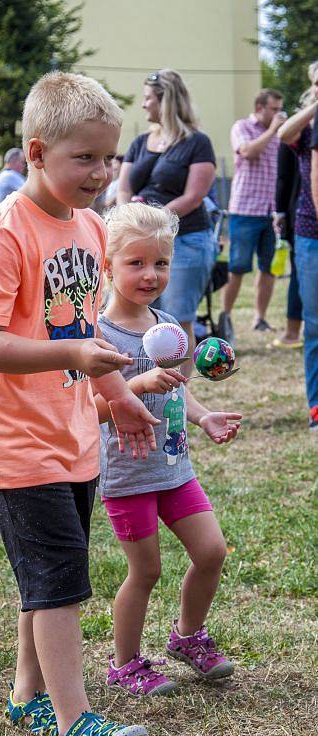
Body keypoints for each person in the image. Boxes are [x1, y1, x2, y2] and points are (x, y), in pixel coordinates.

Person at [0, 72, 161, 736]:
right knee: (60, 585)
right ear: (38, 152)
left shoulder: (92, 226)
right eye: (86, 159)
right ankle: (75, 727)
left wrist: (119, 393)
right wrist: (73, 352)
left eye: (109, 158)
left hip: (74, 434)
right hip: (20, 442)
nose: (102, 173)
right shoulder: (4, 235)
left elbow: (85, 329)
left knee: (47, 577)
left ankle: (27, 696)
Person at [94, 202, 242, 696]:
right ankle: (125, 663)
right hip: (128, 473)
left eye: (160, 263)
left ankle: (187, 636)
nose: (150, 274)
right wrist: (134, 385)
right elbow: (89, 409)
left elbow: (178, 387)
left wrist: (204, 417)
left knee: (212, 550)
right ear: (107, 264)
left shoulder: (170, 325)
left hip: (175, 467)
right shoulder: (97, 336)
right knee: (147, 570)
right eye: (136, 263)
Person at [117, 69, 216, 376]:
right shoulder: (140, 142)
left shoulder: (197, 143)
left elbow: (194, 197)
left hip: (185, 240)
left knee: (176, 319)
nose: (144, 105)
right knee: (129, 315)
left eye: (148, 98)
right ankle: (138, 384)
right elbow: (123, 188)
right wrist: (127, 223)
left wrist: (154, 224)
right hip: (136, 242)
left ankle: (178, 398)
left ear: (166, 101)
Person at [220, 89, 286, 339]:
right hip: (245, 210)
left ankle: (260, 318)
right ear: (260, 107)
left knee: (269, 268)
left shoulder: (280, 133)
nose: (278, 114)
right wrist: (272, 132)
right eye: (274, 109)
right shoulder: (242, 127)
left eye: (280, 109)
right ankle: (225, 317)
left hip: (272, 213)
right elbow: (248, 152)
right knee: (237, 267)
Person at [278, 62, 318, 431]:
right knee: (316, 322)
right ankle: (316, 408)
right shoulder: (307, 129)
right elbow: (283, 133)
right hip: (310, 232)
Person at [271, 142, 302, 348]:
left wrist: (280, 212)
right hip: (300, 217)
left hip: (301, 217)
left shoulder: (294, 134)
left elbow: (283, 177)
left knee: (299, 276)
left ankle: (292, 333)